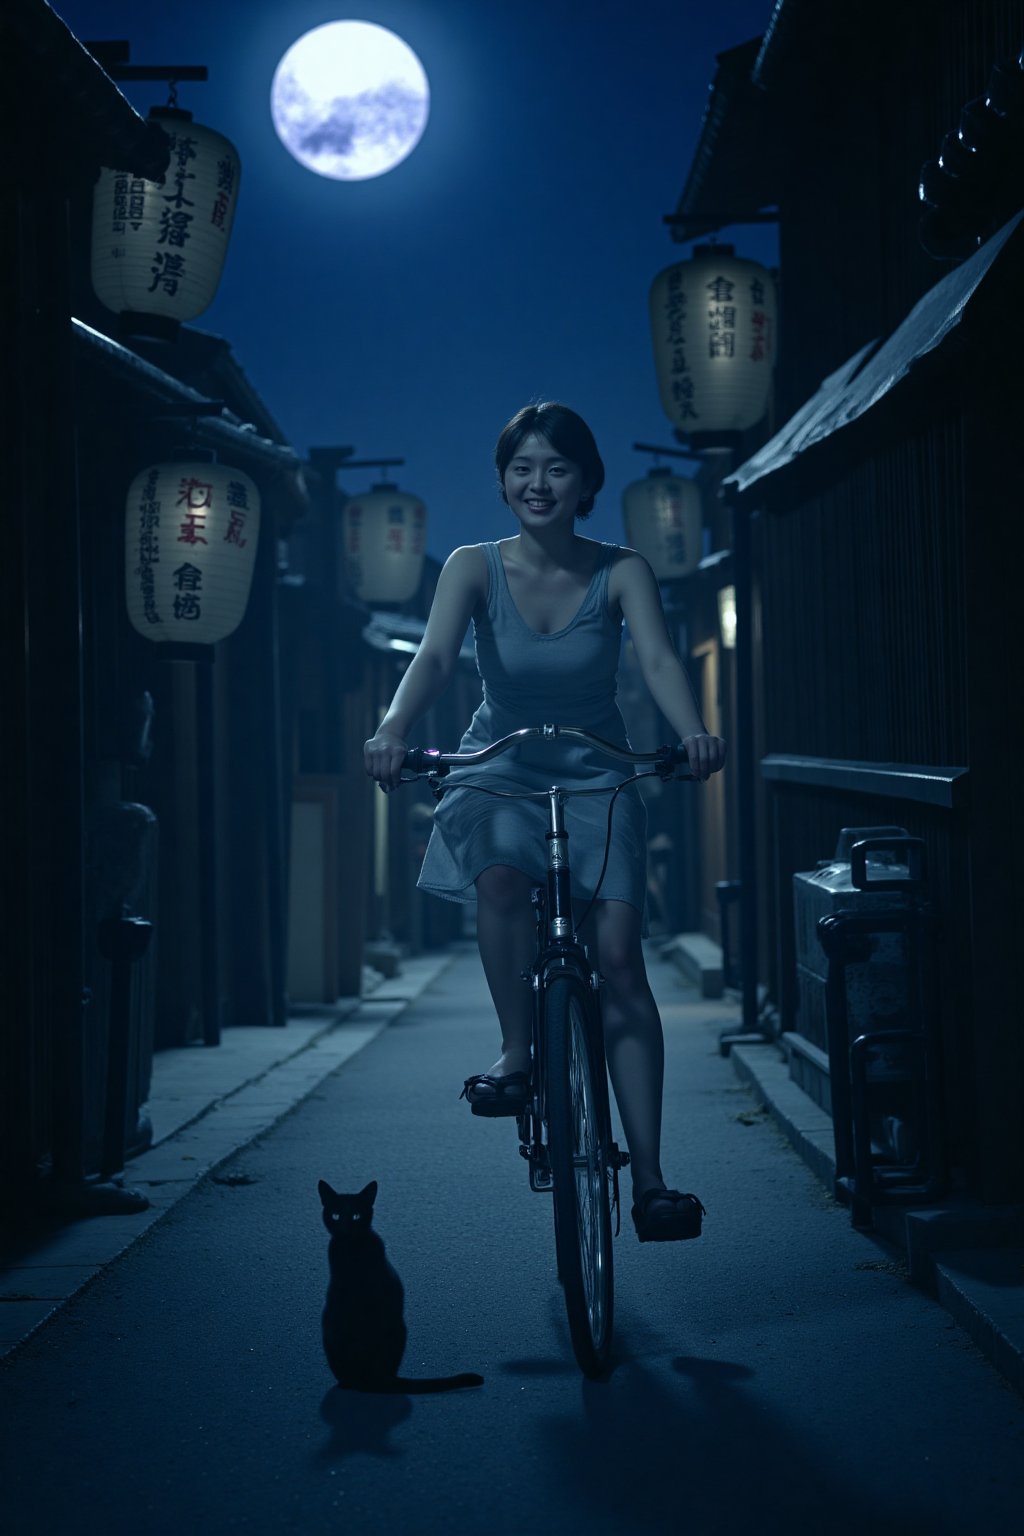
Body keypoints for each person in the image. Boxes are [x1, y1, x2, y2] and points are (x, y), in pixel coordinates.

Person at [363, 402, 727, 1242]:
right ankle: (518, 1052)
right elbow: (437, 657)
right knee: (497, 876)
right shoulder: (471, 565)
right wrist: (391, 731)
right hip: (502, 759)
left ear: (586, 482)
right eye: (522, 467)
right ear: (502, 480)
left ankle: (654, 1182)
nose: (538, 482)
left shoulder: (623, 568)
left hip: (600, 763)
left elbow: (662, 659)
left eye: (556, 468)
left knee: (617, 956)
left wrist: (691, 731)